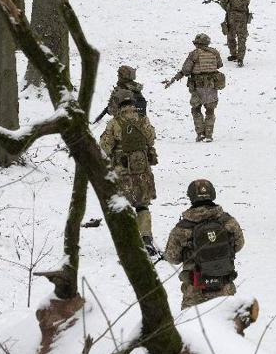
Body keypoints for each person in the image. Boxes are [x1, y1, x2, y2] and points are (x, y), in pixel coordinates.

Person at [164, 179, 245, 309]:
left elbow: (172, 257)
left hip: (195, 294)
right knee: (226, 328)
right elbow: (239, 245)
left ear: (191, 197)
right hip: (225, 291)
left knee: (192, 328)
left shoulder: (182, 229)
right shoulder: (228, 221)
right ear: (212, 194)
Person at [99, 90, 160, 256]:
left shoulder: (114, 123)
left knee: (122, 205)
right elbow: (151, 138)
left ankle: (128, 242)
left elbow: (105, 147)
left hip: (122, 170)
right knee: (142, 205)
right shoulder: (142, 119)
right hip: (142, 169)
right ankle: (146, 239)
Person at [164, 33, 225, 142]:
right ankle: (209, 135)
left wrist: (174, 79)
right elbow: (219, 65)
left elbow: (186, 70)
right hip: (211, 86)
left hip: (197, 87)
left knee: (196, 109)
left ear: (197, 43)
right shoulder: (214, 52)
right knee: (210, 111)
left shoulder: (194, 54)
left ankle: (200, 133)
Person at [218, 0, 252, 67]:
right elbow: (247, 3)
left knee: (231, 37)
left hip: (231, 18)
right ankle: (240, 59)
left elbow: (223, 4)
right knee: (242, 38)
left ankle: (233, 54)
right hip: (243, 18)